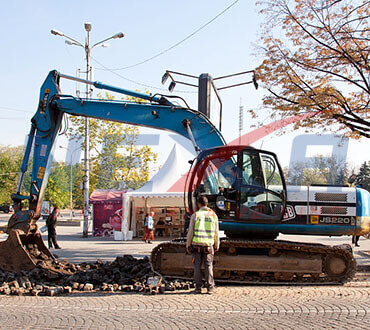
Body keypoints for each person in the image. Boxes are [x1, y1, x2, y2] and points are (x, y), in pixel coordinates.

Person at [186, 195, 219, 294]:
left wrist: (188, 244)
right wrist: (216, 244)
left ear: (198, 204)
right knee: (209, 266)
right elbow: (216, 232)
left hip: (196, 245)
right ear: (207, 203)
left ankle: (198, 287)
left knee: (197, 266)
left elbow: (190, 232)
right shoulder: (213, 215)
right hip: (208, 245)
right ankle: (210, 287)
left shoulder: (195, 215)